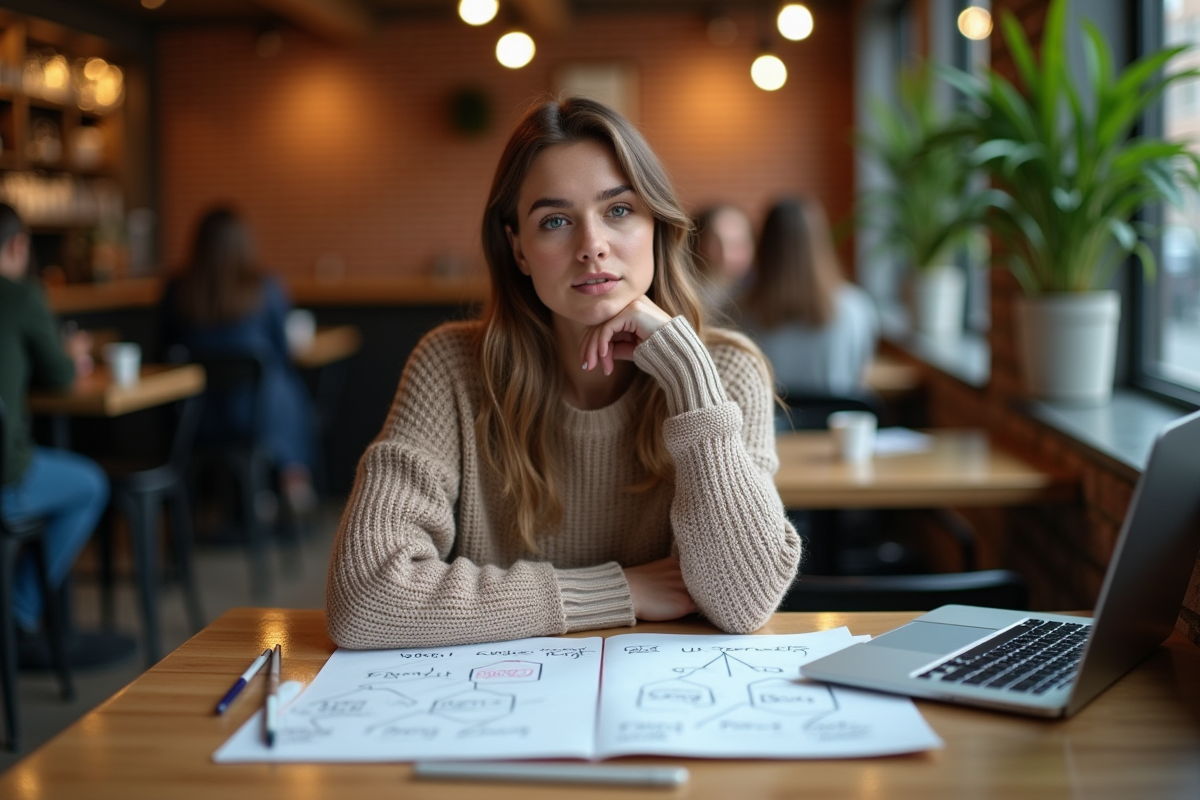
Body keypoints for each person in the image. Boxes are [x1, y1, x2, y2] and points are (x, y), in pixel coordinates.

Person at [326, 97, 801, 650]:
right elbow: (364, 596)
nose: (592, 246)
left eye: (618, 210)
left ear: (656, 223)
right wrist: (617, 590)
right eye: (555, 221)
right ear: (519, 249)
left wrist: (689, 377)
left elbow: (746, 602)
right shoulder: (451, 368)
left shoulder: (724, 371)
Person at [158, 207, 317, 515]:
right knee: (287, 388)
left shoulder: (177, 289)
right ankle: (290, 480)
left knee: (278, 388)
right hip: (255, 416)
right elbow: (283, 352)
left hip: (193, 418)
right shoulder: (266, 288)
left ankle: (256, 495)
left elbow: (161, 351)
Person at [0, 203, 109, 646]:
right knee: (91, 485)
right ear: (18, 245)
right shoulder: (21, 295)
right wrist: (71, 353)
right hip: (6, 476)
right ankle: (20, 609)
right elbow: (62, 377)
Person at [737, 197, 879, 398]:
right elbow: (859, 379)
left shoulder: (736, 311)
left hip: (771, 427)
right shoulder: (857, 307)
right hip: (833, 427)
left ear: (764, 246)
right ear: (821, 243)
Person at [691, 204, 755, 320]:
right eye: (716, 243)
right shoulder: (685, 295)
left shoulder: (763, 295)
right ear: (698, 244)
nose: (727, 254)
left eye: (737, 244)